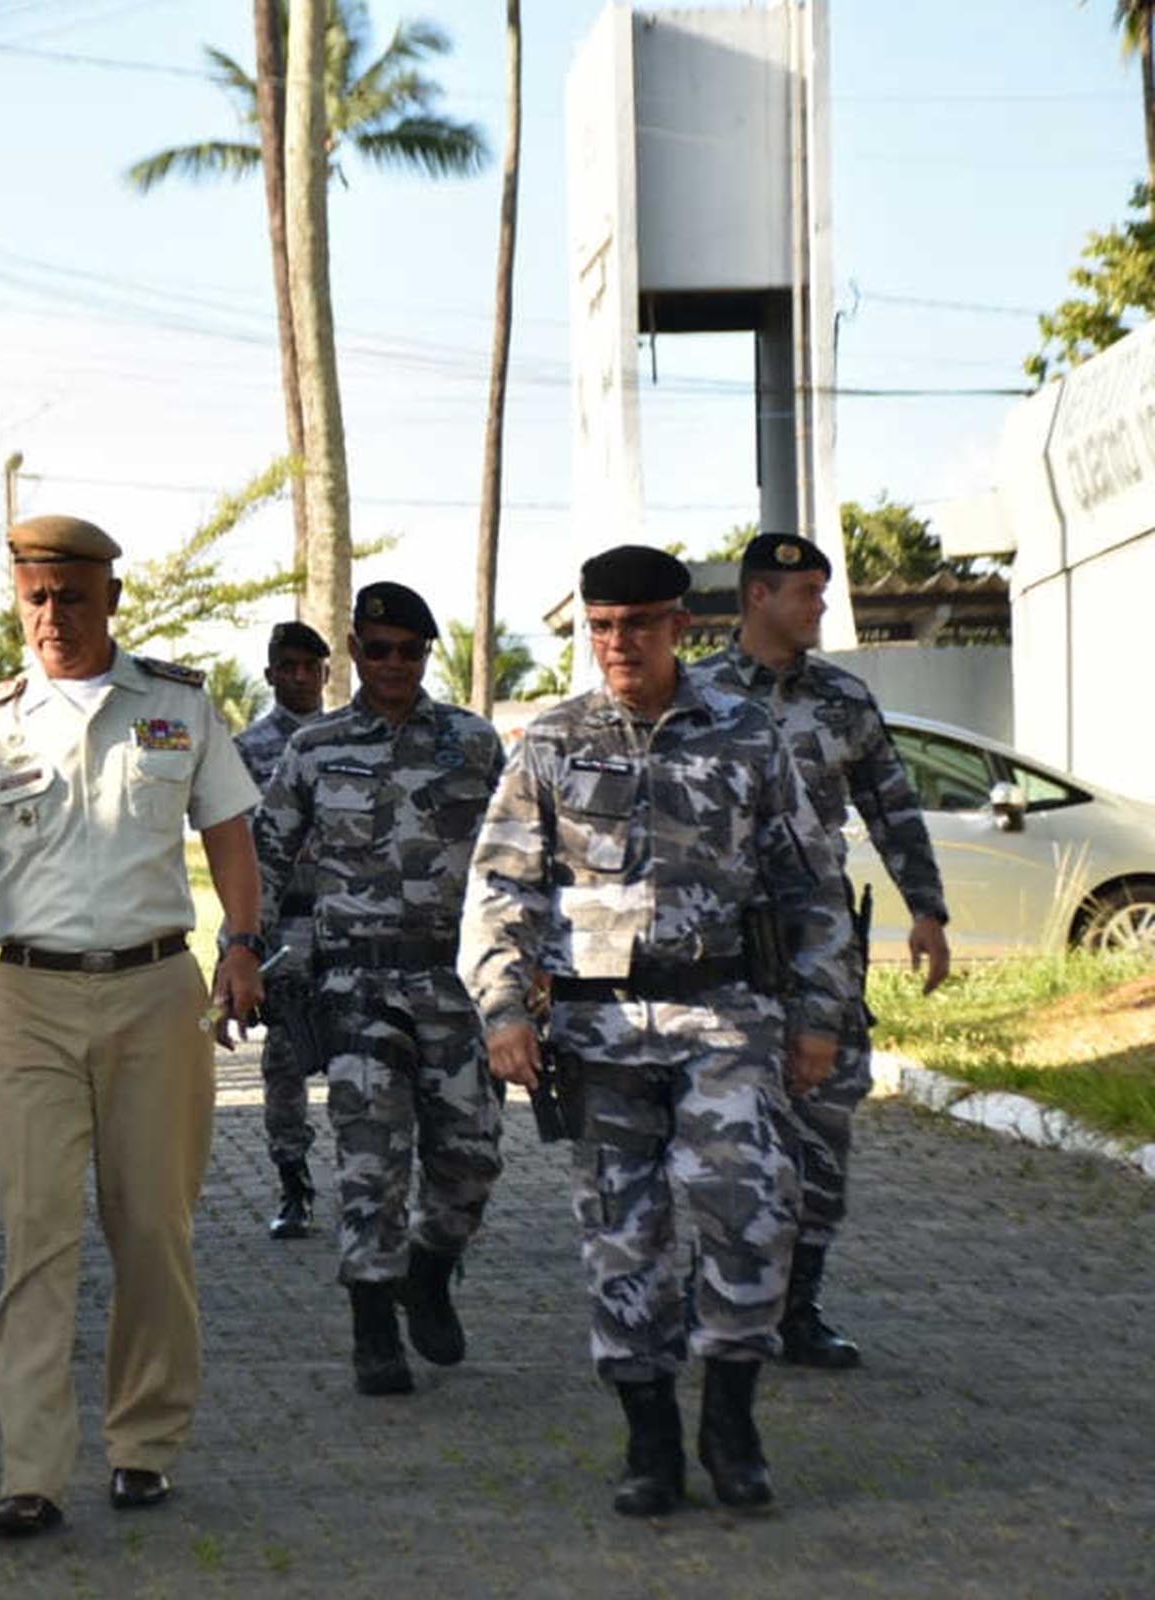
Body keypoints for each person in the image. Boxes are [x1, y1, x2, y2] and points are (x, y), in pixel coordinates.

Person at [0, 514, 267, 1540]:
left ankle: (145, 1444)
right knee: (37, 1236)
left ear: (111, 597)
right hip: (30, 998)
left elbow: (228, 833)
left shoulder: (176, 705)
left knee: (153, 1229)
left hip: (157, 991)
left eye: (71, 594)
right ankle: (29, 1470)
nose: (51, 614)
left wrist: (243, 942)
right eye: (34, 595)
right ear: (17, 599)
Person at [462, 545, 854, 1518]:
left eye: (637, 624)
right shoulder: (551, 741)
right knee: (621, 1236)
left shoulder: (746, 734)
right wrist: (506, 1008)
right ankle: (650, 1440)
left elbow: (811, 885)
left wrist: (819, 1018)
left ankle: (731, 1418)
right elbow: (500, 884)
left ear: (680, 625)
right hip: (598, 1031)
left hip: (725, 1014)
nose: (617, 644)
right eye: (600, 626)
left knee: (751, 1205)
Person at [685, 533, 951, 1368]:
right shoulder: (693, 694)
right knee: (722, 1136)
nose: (820, 608)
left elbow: (892, 805)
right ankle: (720, 1303)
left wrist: (928, 911)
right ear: (759, 597)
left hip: (821, 948)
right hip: (722, 951)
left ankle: (798, 1308)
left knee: (823, 1127)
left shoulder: (842, 697)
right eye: (808, 593)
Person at [253, 583, 505, 1396]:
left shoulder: (474, 744)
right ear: (355, 652)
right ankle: (371, 1325)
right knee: (370, 1155)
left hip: (455, 982)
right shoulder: (315, 748)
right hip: (355, 981)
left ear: (427, 656)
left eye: (410, 650)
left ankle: (429, 1272)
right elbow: (263, 856)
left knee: (471, 1158)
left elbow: (519, 862)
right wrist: (240, 953)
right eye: (378, 648)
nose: (393, 664)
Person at [235, 620, 333, 1241]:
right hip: (286, 924)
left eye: (310, 668)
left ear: (327, 674)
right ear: (270, 674)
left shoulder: (351, 737)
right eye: (288, 667)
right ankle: (292, 1183)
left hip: (356, 922)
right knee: (285, 1060)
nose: (299, 677)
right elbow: (245, 848)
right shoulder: (247, 750)